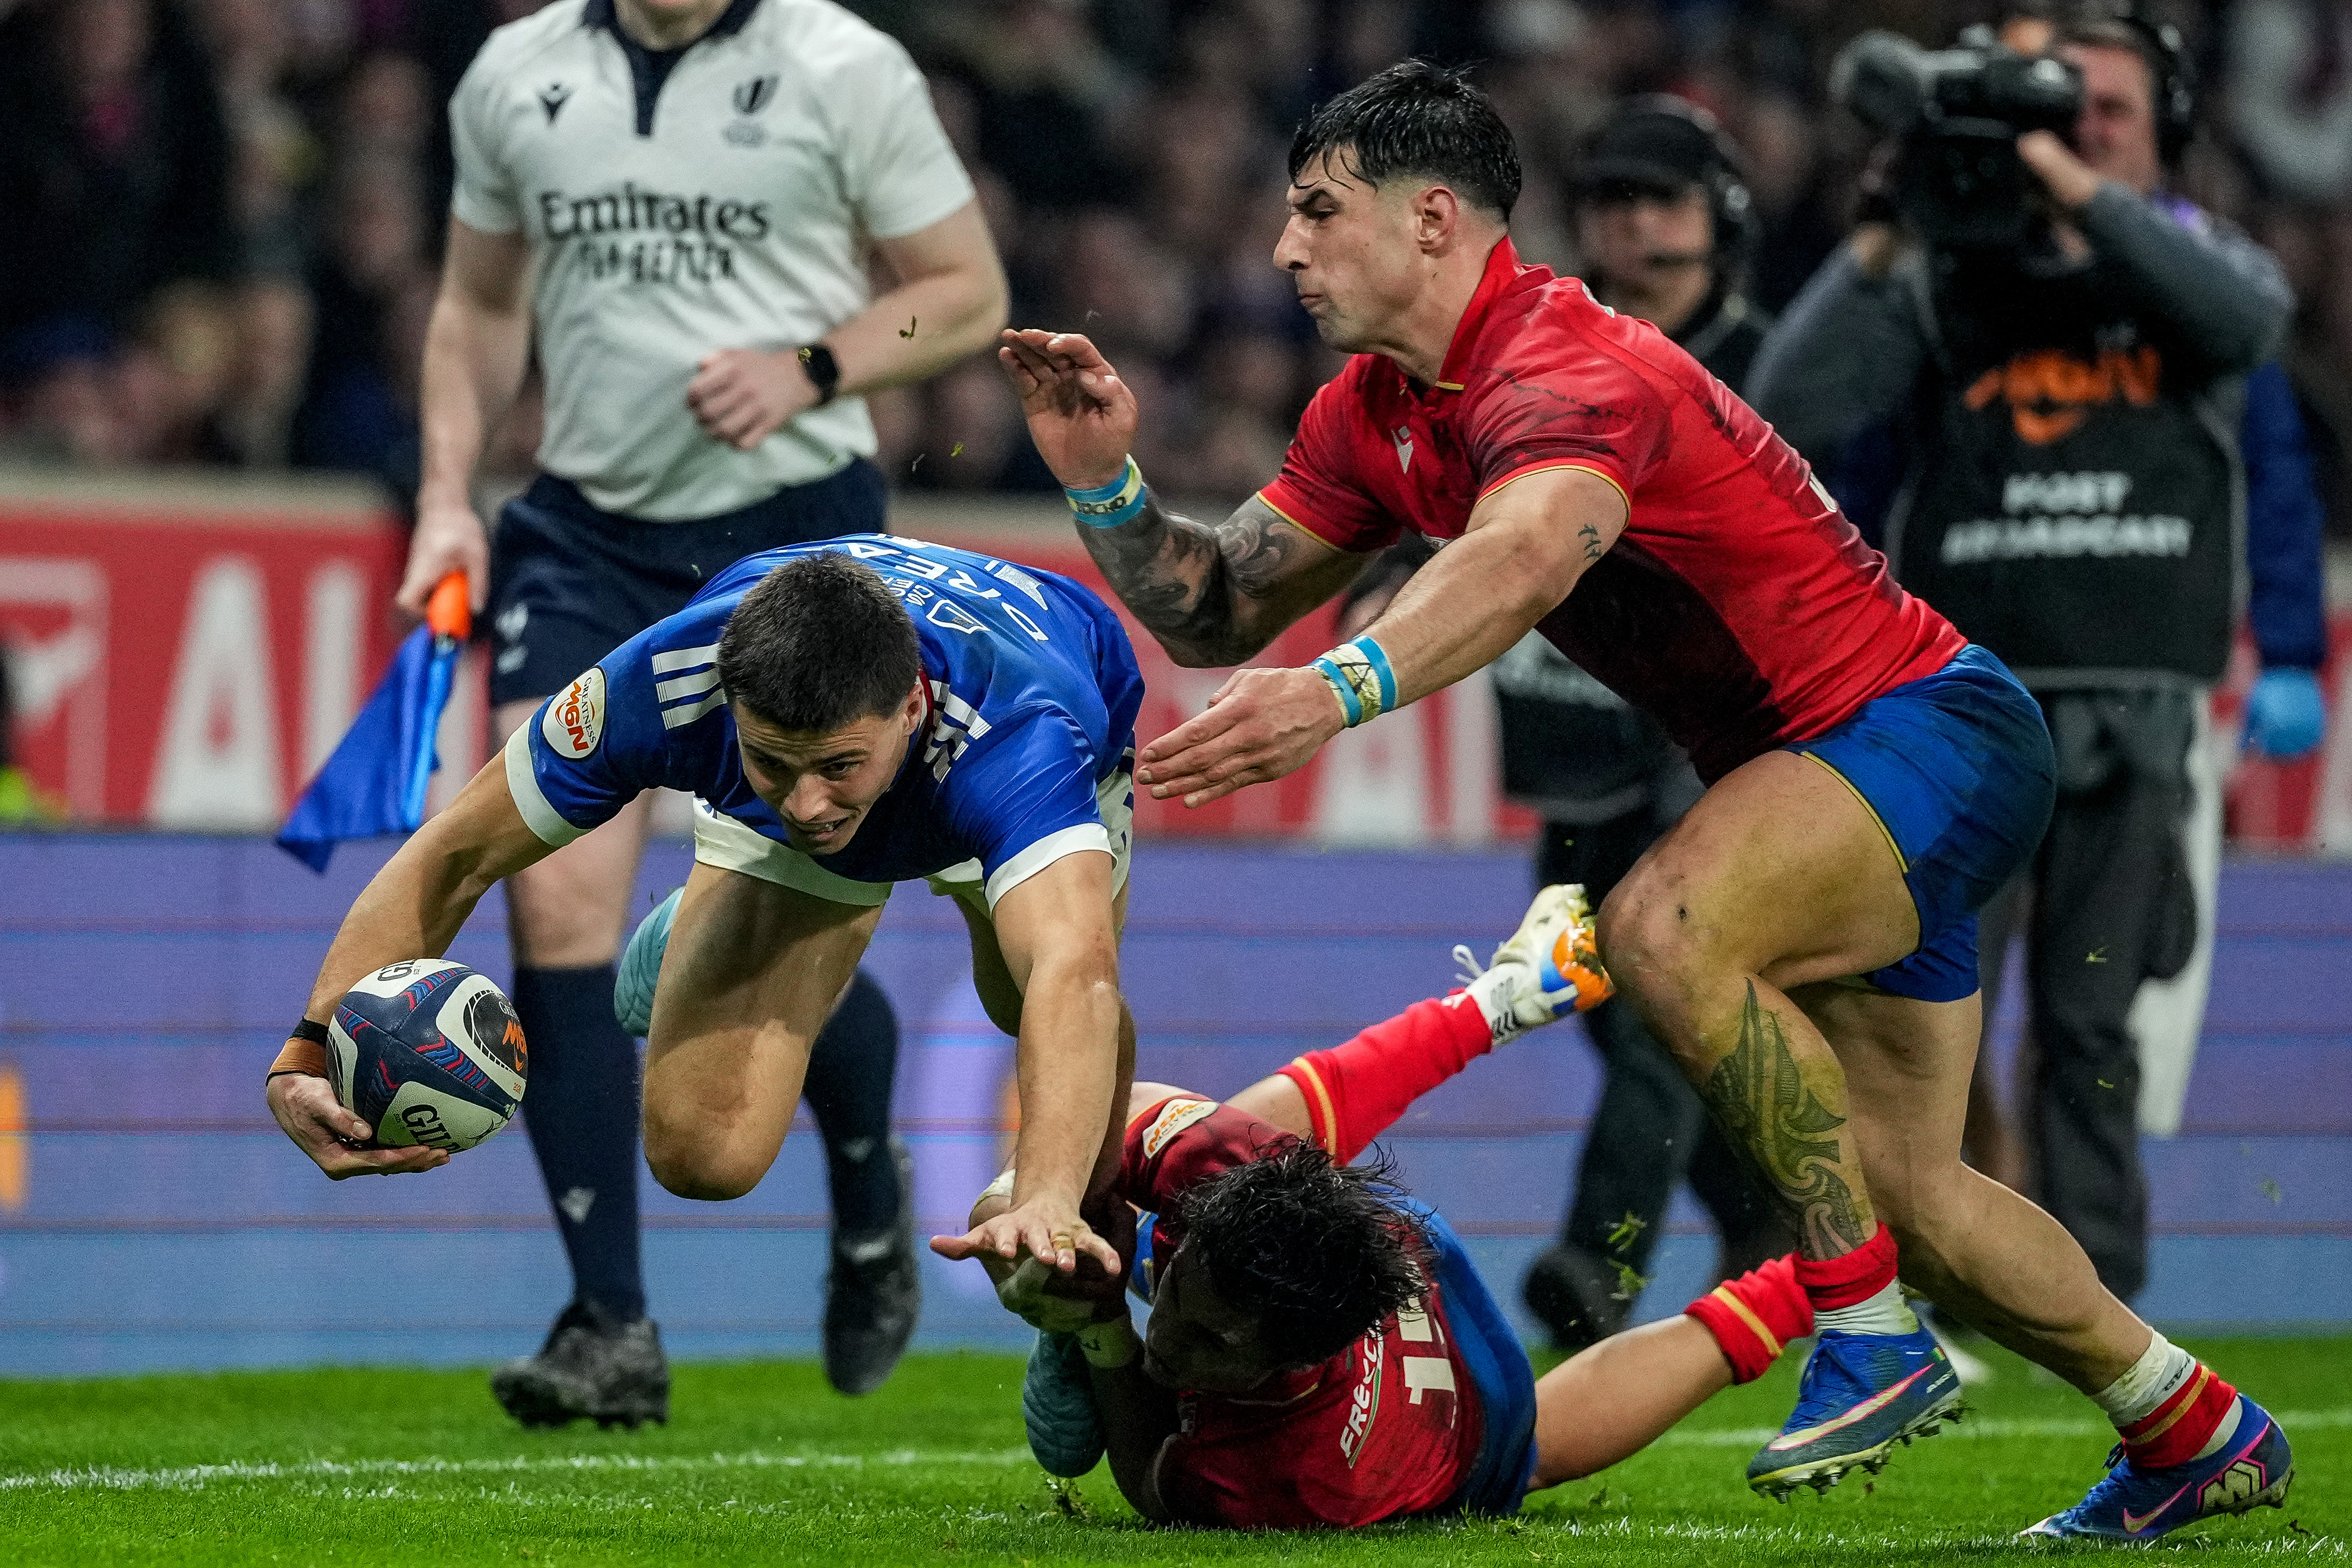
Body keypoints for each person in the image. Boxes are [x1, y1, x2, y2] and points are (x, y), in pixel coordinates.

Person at [997, 59, 2290, 1541]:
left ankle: (1864, 1331)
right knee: (1920, 1195)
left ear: (1433, 219)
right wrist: (1104, 485)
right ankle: (2192, 1423)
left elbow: (1531, 552)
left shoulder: (1569, 367)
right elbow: (1219, 609)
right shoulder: (1372, 411)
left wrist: (1340, 690)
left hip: (1924, 730)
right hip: (1843, 773)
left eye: (1315, 213)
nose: (1283, 249)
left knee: (1663, 925)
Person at [399, 0, 1009, 1419]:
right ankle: (610, 1324)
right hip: (583, 540)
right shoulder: (519, 71)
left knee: (769, 926)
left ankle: (865, 1171)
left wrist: (815, 365)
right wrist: (445, 496)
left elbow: (965, 288)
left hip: (793, 544)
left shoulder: (844, 65)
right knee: (554, 902)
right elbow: (478, 309)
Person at [263, 539, 1141, 1414]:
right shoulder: (664, 681)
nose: (806, 802)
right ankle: (703, 923)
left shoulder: (1024, 734)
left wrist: (1049, 1198)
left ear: (910, 706)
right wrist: (307, 1053)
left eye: (838, 765)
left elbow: (1077, 974)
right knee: (703, 1153)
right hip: (850, 775)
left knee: (1032, 1003)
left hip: (1026, 731)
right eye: (774, 761)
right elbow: (454, 852)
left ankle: (1081, 1334)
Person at [1749, 3, 2316, 1307]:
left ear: (2159, 132)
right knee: (1913, 1028)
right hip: (1956, 725)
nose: (2076, 137)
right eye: (2058, 116)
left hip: (2136, 715)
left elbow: (2247, 335)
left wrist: (2285, 642)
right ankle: (1914, 1290)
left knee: (2090, 1033)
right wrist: (1885, 229)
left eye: (2104, 114)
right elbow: (1794, 406)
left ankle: (2100, 1302)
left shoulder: (2191, 267)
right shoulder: (1953, 273)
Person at [962, 887, 1840, 1529]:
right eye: (1174, 1307)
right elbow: (1109, 1111)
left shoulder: (1296, 1480)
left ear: (1292, 1358)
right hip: (1397, 1243)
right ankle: (1502, 1001)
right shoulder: (1268, 1212)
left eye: (1206, 1344)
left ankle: (1806, 1289)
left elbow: (1150, 1478)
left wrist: (1103, 1329)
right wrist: (1034, 1200)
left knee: (1526, 1453)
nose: (1170, 1347)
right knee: (1256, 1154)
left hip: (1464, 1418)